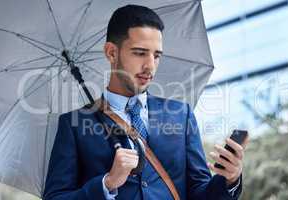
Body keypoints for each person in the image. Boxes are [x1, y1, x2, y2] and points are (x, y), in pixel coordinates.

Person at [43, 4, 247, 200]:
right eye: (140, 53)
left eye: (156, 55)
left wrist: (229, 180)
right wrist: (107, 183)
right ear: (111, 52)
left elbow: (200, 193)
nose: (150, 66)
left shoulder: (180, 115)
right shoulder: (73, 124)